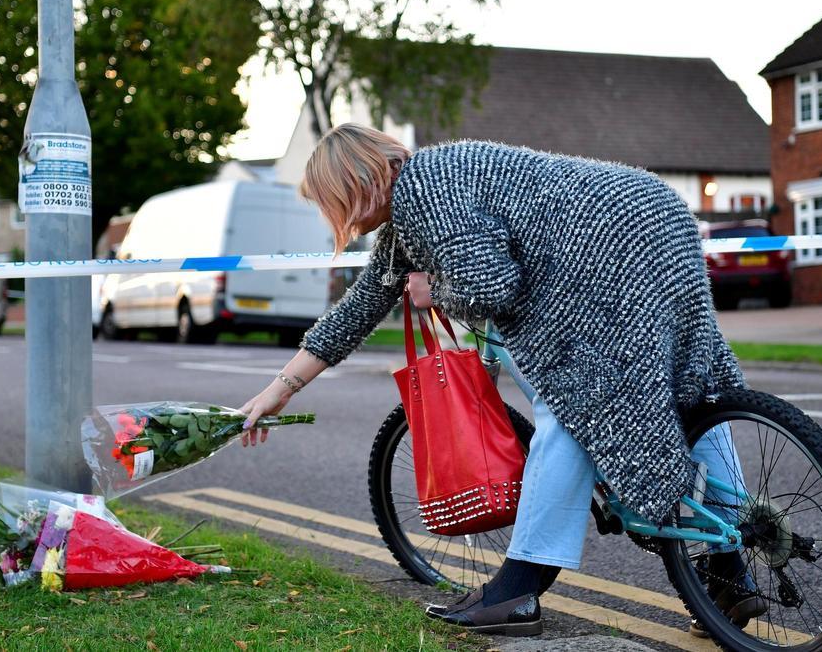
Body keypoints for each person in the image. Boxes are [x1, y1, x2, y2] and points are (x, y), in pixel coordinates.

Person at [238, 124, 763, 636]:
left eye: (328, 201)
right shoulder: (424, 190)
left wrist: (434, 292)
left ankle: (516, 591)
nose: (334, 216)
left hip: (609, 240)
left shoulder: (425, 191)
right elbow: (357, 311)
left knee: (573, 405)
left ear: (353, 183)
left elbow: (492, 289)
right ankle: (730, 568)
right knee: (691, 390)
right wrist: (277, 391)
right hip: (658, 211)